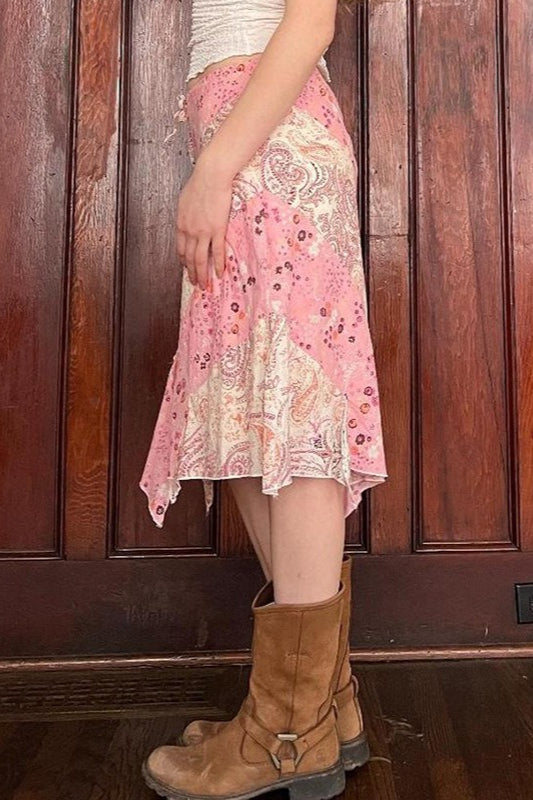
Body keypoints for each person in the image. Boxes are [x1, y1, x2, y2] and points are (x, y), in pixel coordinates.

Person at [140, 0, 389, 797]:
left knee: (294, 409)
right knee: (247, 415)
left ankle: (287, 731)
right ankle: (322, 704)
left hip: (266, 145)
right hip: (247, 137)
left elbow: (311, 21)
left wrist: (214, 169)